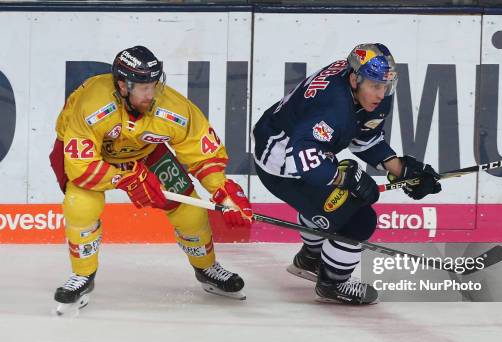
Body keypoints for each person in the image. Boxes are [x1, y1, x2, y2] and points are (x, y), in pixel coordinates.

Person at [49, 45, 253, 314]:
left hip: (144, 152)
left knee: (190, 212)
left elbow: (203, 153)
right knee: (80, 204)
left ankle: (206, 269)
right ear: (122, 85)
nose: (152, 93)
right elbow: (81, 167)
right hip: (92, 157)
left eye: (155, 84)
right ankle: (83, 276)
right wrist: (128, 179)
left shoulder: (173, 107)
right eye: (143, 87)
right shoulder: (92, 103)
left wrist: (223, 190)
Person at [252, 43, 441, 305]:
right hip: (282, 164)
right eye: (375, 86)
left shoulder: (359, 85)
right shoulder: (333, 108)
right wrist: (343, 178)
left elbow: (363, 134)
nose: (381, 93)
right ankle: (333, 283)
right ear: (354, 79)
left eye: (386, 85)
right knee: (358, 220)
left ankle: (311, 258)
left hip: (294, 143)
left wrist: (401, 169)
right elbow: (305, 159)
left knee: (334, 203)